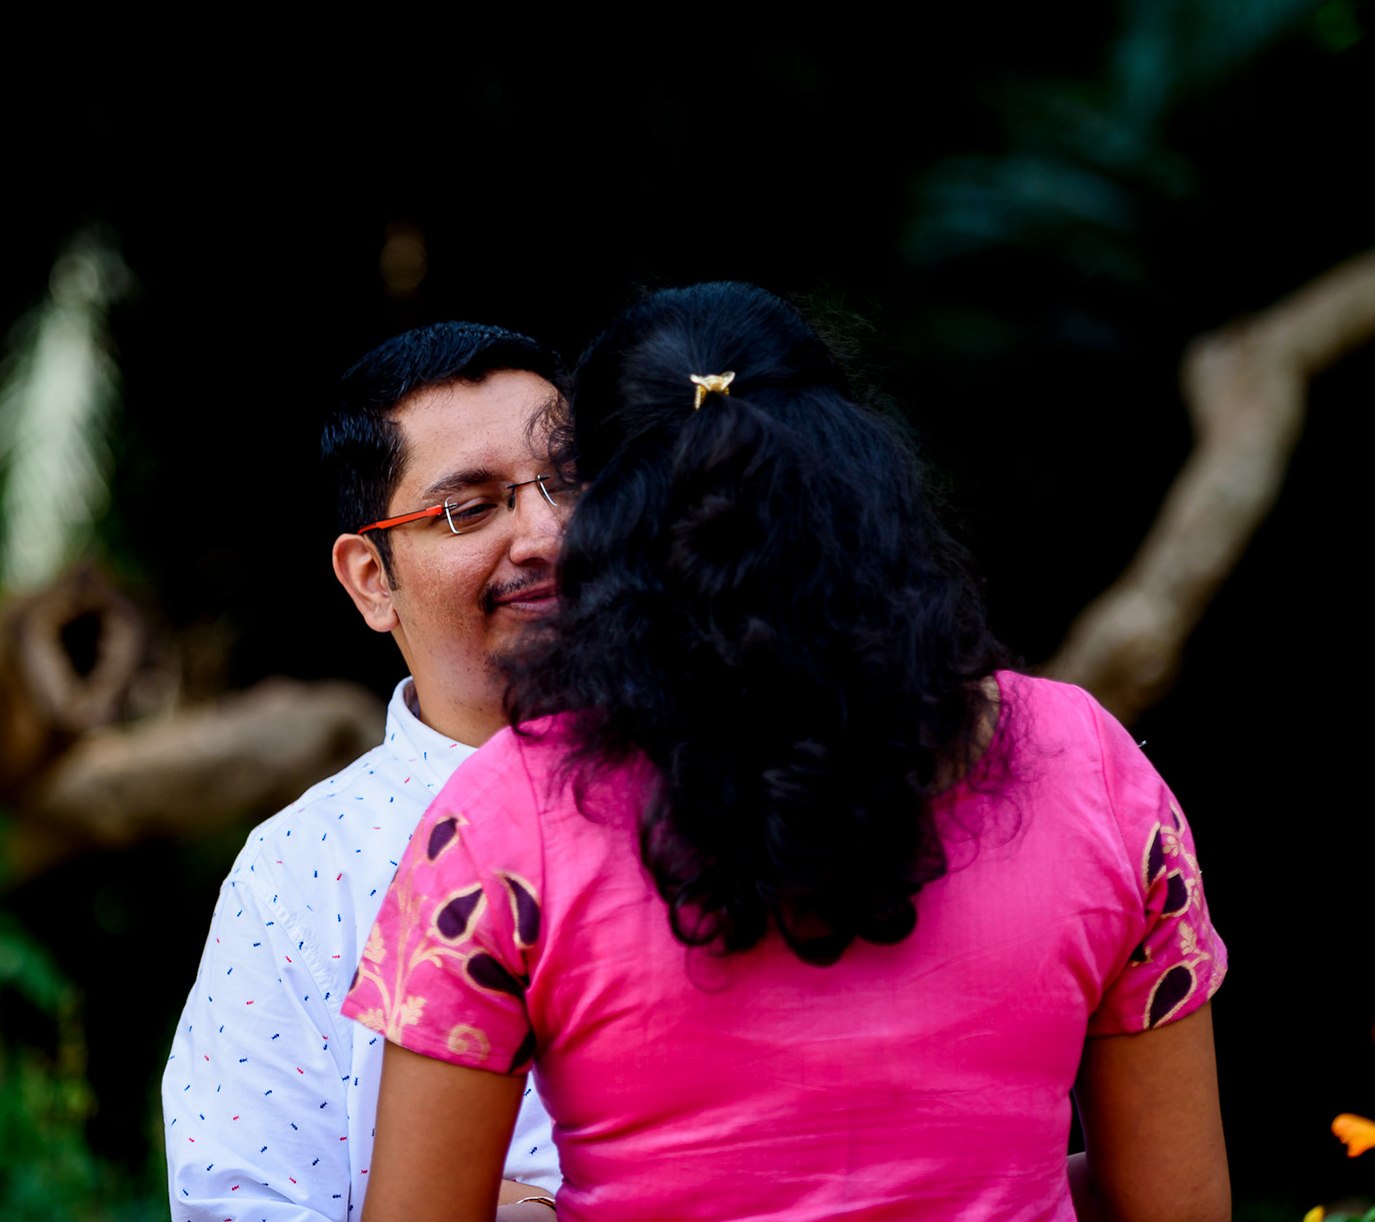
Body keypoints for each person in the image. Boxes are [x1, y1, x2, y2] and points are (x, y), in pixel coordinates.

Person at [343, 283, 1230, 1222]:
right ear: (859, 471)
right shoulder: (1086, 763)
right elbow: (1175, 1206)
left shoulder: (501, 818)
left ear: (599, 524)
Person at [164, 323, 571, 1222]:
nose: (546, 532)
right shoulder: (299, 877)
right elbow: (240, 1204)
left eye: (571, 480)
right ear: (370, 581)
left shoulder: (749, 789)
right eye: (471, 509)